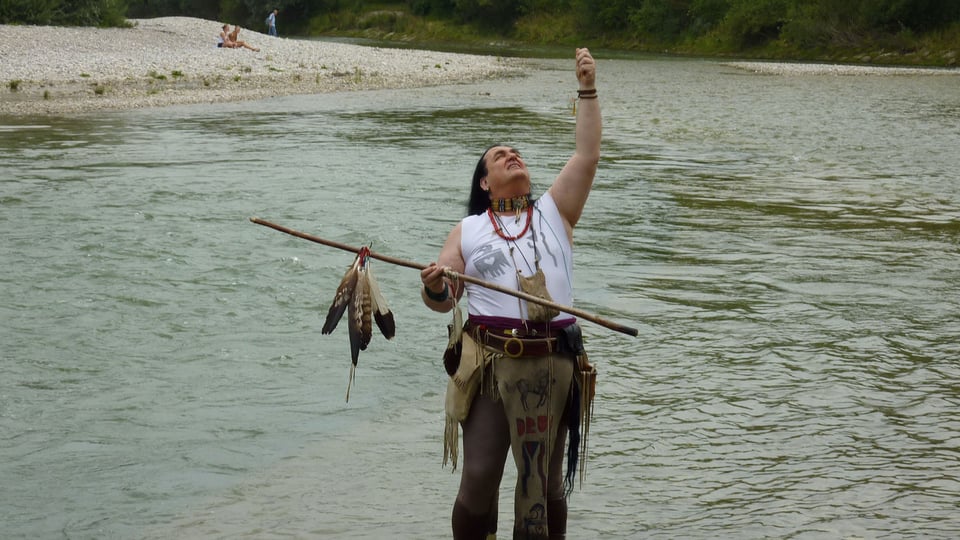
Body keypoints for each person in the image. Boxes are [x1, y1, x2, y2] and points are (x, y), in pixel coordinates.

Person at [420, 48, 600, 540]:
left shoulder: (554, 210)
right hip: (493, 363)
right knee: (479, 478)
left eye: (515, 152)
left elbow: (586, 154)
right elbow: (446, 294)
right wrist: (437, 285)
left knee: (544, 485)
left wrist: (586, 88)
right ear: (484, 181)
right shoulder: (469, 228)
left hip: (557, 362)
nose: (510, 155)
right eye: (498, 156)